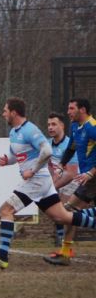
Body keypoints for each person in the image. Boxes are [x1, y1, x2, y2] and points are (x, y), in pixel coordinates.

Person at [0, 97, 96, 270]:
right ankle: (68, 249)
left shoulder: (30, 130)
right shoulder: (14, 132)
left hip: (38, 180)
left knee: (6, 210)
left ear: (14, 113)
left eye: (5, 110)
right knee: (63, 216)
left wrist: (32, 170)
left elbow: (46, 151)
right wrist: (6, 160)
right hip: (44, 181)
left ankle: (2, 257)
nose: (3, 114)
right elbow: (15, 154)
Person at [44, 98, 96, 266]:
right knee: (68, 213)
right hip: (88, 179)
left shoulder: (92, 127)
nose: (68, 112)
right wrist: (61, 164)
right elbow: (72, 147)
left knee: (68, 212)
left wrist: (90, 172)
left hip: (92, 177)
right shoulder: (75, 127)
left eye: (71, 108)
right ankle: (65, 253)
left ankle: (65, 253)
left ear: (82, 110)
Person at [46, 112, 79, 249]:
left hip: (74, 180)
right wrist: (51, 181)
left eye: (54, 124)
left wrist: (52, 186)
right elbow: (48, 165)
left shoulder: (69, 145)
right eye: (48, 125)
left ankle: (63, 242)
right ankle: (61, 239)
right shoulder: (47, 144)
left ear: (62, 126)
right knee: (58, 211)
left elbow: (71, 174)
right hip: (59, 180)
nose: (50, 127)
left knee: (63, 209)